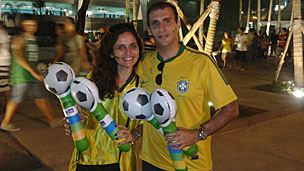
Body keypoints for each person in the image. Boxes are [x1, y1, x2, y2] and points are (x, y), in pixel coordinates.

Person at [135, 2, 239, 171]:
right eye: (155, 23)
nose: (162, 28)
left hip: (193, 163)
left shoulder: (201, 63)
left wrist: (197, 134)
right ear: (149, 30)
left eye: (167, 21)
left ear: (177, 25)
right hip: (152, 161)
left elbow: (231, 109)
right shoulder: (143, 64)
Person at [66, 23, 143, 171]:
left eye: (133, 46)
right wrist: (76, 121)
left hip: (121, 162)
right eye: (120, 47)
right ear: (111, 52)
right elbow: (81, 112)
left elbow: (149, 122)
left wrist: (135, 134)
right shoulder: (95, 78)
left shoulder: (143, 84)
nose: (128, 52)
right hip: (87, 159)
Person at [0, 14, 62, 132]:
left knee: (40, 97)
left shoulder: (32, 39)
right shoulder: (20, 39)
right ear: (23, 25)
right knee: (16, 99)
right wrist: (33, 72)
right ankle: (6, 122)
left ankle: (52, 120)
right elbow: (19, 58)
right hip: (21, 75)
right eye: (28, 24)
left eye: (33, 24)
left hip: (31, 74)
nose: (31, 27)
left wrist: (37, 70)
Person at [0, 21, 11, 114]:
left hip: (1, 62)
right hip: (3, 61)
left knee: (5, 87)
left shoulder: (1, 33)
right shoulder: (4, 33)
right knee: (4, 86)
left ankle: (9, 105)